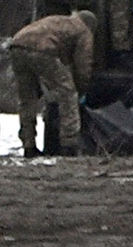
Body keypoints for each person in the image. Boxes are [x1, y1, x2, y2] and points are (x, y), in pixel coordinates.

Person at [10, 9, 97, 157]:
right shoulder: (83, 30)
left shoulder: (61, 20)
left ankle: (29, 146)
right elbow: (83, 65)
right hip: (42, 50)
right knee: (68, 94)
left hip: (16, 45)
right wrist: (81, 89)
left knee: (27, 100)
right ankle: (69, 146)